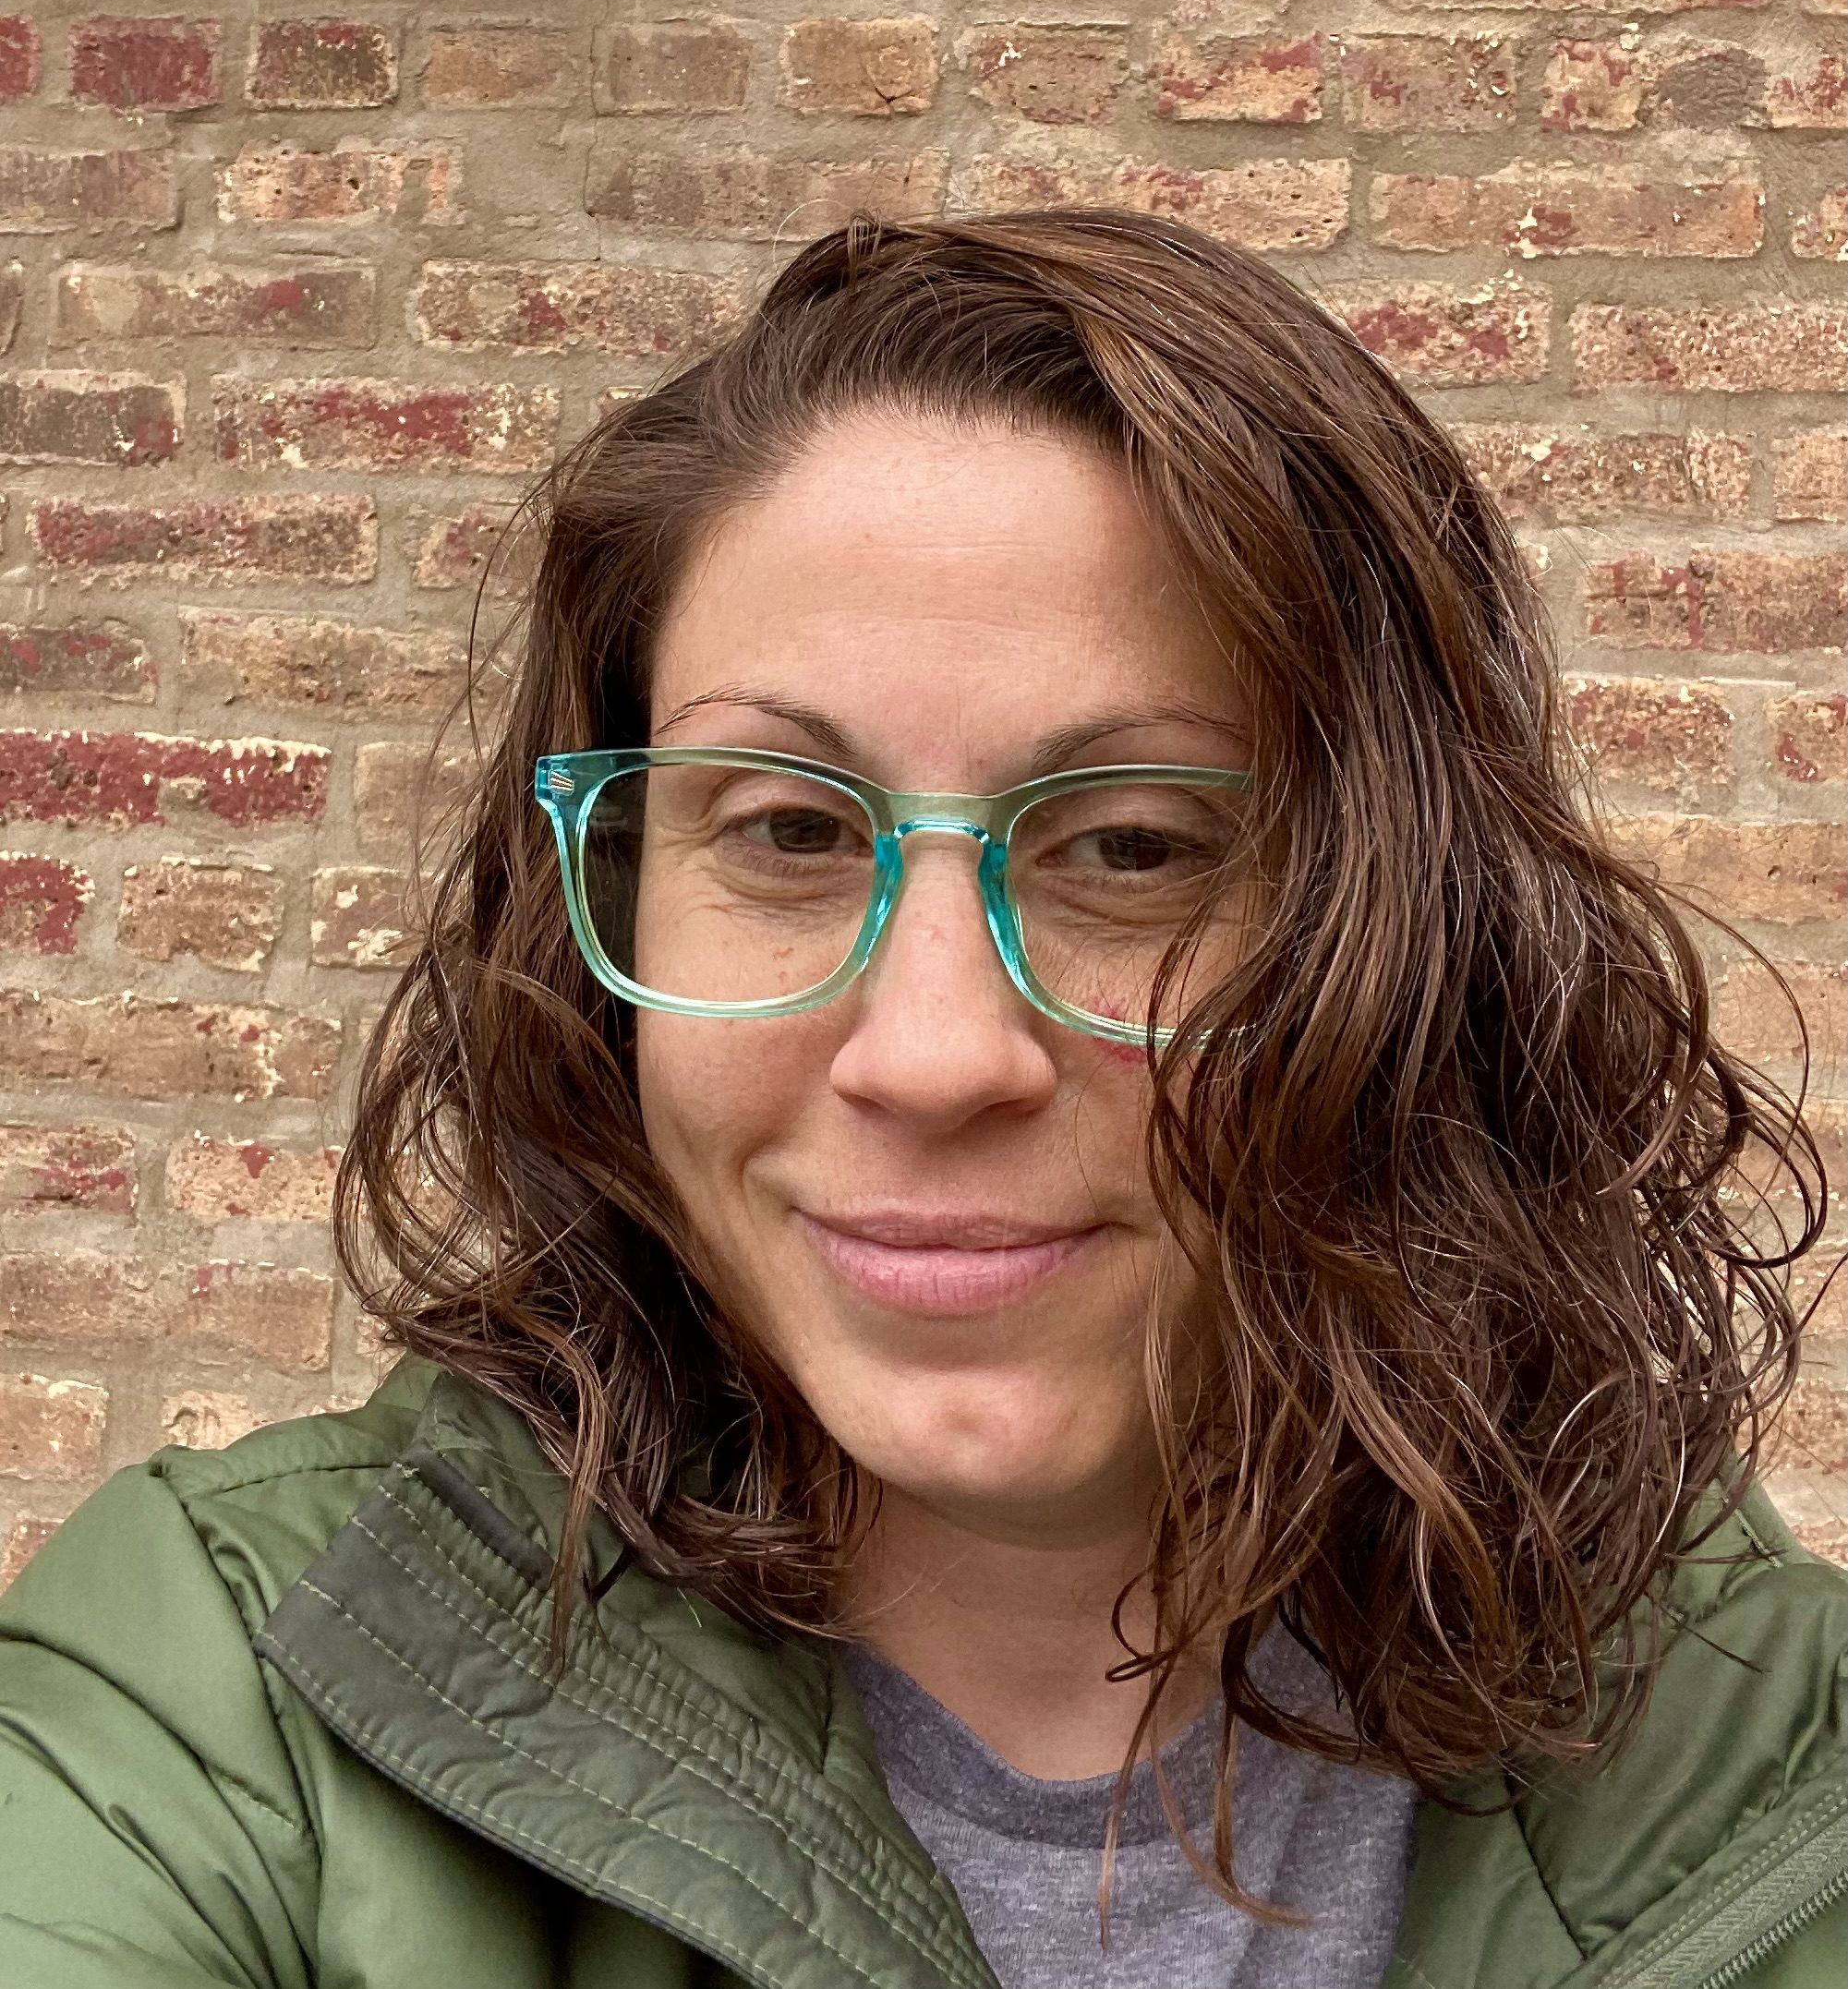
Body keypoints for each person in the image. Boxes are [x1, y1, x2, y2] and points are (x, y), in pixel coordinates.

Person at [0, 210, 1841, 1989]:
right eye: (788, 832)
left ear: (1416, 938)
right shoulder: (225, 1703)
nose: (932, 1053)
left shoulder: (1781, 1783)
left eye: (1131, 847)